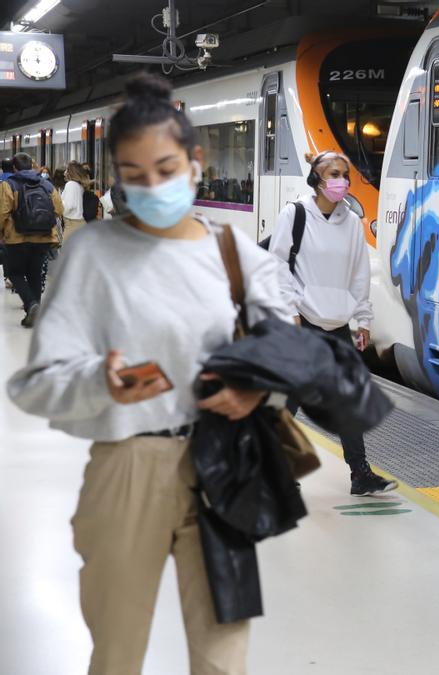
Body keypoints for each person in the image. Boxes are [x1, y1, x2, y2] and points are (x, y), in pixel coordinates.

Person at [6, 73, 288, 674]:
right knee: (118, 650)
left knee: (223, 655)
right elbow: (33, 385)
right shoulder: (93, 254)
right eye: (135, 177)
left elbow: (292, 354)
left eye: (166, 168)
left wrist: (257, 387)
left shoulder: (237, 254)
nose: (153, 186)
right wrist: (100, 381)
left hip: (225, 468)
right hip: (127, 468)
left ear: (195, 161)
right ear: (115, 179)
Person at [269, 150, 397, 496]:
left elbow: (359, 273)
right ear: (316, 180)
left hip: (336, 323)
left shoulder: (352, 224)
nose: (340, 180)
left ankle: (360, 474)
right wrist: (290, 310)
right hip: (304, 320)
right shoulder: (294, 214)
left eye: (345, 174)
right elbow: (277, 264)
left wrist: (363, 318)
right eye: (333, 174)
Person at [1, 151, 64, 327]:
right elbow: (59, 209)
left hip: (17, 237)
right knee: (35, 273)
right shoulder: (47, 184)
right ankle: (34, 314)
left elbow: (2, 212)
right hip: (43, 237)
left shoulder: (8, 184)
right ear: (32, 166)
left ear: (14, 168)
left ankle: (32, 305)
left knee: (15, 273)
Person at [61, 161, 91, 241]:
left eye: (67, 170)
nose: (65, 172)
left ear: (71, 172)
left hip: (72, 225)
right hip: (79, 223)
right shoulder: (79, 185)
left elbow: (68, 206)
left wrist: (58, 204)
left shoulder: (70, 184)